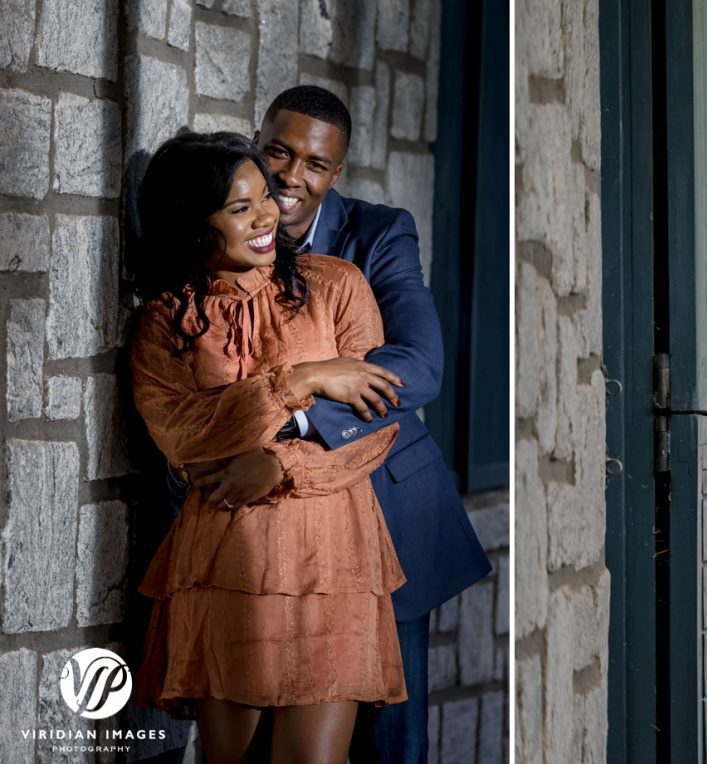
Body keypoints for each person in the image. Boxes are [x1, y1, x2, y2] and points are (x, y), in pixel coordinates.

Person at [180, 85, 492, 761]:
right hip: (263, 538)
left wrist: (292, 423)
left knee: (390, 747)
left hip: (383, 523)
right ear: (256, 144)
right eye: (279, 153)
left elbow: (417, 366)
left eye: (315, 165)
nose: (293, 177)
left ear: (336, 172)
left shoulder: (377, 235)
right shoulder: (217, 231)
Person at [129, 131, 407, 762]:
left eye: (263, 198)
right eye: (238, 207)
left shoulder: (337, 286)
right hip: (229, 561)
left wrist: (276, 461)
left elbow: (374, 424)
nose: (266, 216)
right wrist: (301, 381)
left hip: (333, 556)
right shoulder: (166, 323)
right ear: (193, 222)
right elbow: (187, 438)